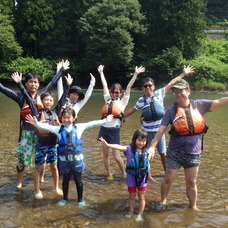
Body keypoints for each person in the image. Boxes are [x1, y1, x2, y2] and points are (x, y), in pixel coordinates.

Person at [148, 78, 228, 210]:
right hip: (175, 152)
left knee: (191, 182)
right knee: (168, 178)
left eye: (181, 91)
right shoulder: (170, 110)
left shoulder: (200, 105)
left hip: (193, 152)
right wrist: (152, 146)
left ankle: (193, 207)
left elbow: (219, 102)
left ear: (189, 91)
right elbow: (161, 129)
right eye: (175, 92)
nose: (178, 94)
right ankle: (162, 201)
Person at [0, 60, 70, 188]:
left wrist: (62, 70)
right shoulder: (20, 97)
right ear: (25, 84)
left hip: (42, 134)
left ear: (38, 84)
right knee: (23, 159)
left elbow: (53, 82)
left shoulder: (42, 95)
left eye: (35, 82)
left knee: (42, 159)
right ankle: (19, 182)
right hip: (27, 132)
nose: (33, 84)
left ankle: (41, 177)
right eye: (30, 82)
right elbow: (4, 89)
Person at [26, 107, 113, 207]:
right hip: (64, 161)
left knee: (78, 180)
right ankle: (65, 199)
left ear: (74, 118)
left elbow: (91, 123)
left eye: (69, 117)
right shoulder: (58, 129)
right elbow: (47, 127)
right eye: (64, 117)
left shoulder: (79, 127)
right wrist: (36, 124)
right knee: (65, 180)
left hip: (77, 161)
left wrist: (105, 121)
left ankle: (80, 200)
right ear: (61, 118)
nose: (66, 120)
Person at [11, 72, 73, 199]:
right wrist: (19, 84)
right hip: (40, 143)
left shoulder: (56, 111)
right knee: (33, 164)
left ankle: (56, 187)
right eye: (46, 100)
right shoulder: (36, 111)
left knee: (54, 166)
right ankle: (35, 189)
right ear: (42, 101)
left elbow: (61, 99)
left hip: (52, 144)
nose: (49, 102)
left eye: (51, 100)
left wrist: (68, 86)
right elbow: (27, 98)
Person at [124, 65, 195, 171]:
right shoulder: (141, 100)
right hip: (146, 132)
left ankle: (167, 173)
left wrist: (183, 73)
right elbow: (132, 110)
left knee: (163, 154)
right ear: (143, 89)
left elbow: (171, 83)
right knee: (145, 154)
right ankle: (145, 175)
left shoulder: (159, 94)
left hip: (159, 132)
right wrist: (120, 117)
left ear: (153, 86)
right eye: (145, 86)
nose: (148, 88)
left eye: (150, 85)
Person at [97, 65, 145, 180]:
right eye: (113, 92)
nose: (115, 94)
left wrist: (135, 74)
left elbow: (128, 87)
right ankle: (109, 174)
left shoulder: (123, 102)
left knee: (116, 155)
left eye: (117, 92)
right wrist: (101, 72)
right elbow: (104, 85)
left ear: (120, 93)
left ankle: (124, 173)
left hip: (114, 130)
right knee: (105, 155)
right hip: (104, 129)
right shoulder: (107, 99)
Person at [99, 129, 151, 222]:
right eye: (139, 140)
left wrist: (149, 176)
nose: (141, 143)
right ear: (134, 139)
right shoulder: (129, 149)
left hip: (142, 178)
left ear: (146, 141)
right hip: (131, 177)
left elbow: (147, 164)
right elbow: (118, 146)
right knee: (131, 196)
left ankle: (139, 214)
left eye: (144, 141)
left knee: (141, 196)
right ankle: (131, 211)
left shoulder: (146, 152)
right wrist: (107, 145)